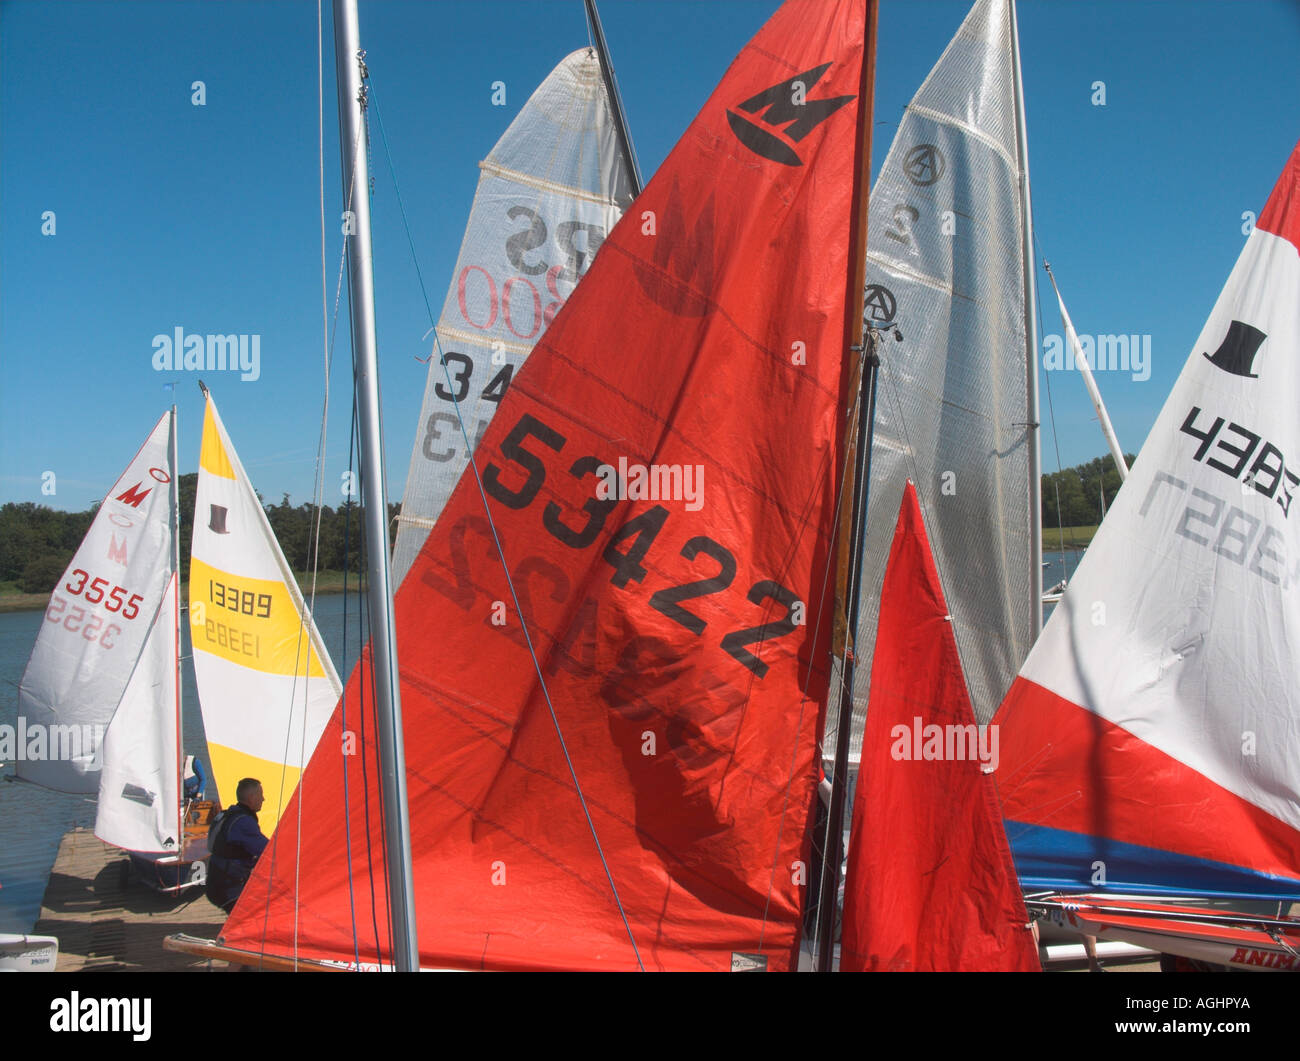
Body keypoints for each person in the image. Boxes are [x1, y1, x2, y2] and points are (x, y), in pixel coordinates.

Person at [205, 778, 268, 913]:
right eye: (261, 795)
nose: (263, 799)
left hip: (215, 882)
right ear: (251, 797)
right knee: (265, 909)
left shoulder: (226, 815)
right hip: (228, 888)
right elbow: (268, 851)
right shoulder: (243, 822)